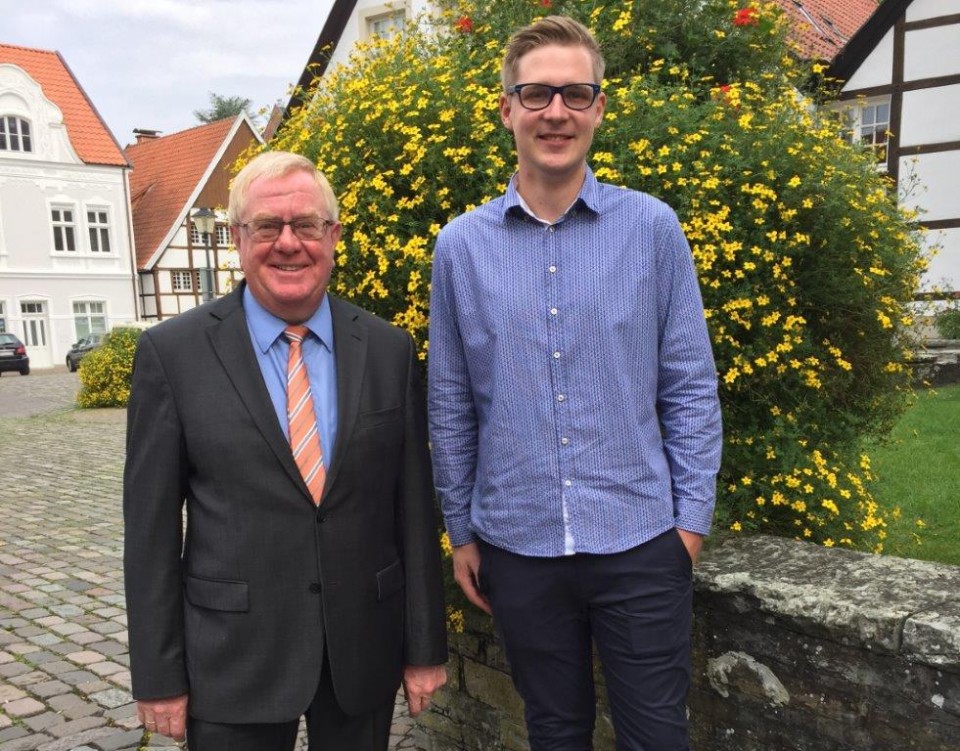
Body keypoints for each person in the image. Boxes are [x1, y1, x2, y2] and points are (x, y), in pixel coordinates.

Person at [428, 15, 722, 751]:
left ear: (597, 107)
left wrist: (687, 526)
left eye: (574, 93)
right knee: (553, 732)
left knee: (656, 734)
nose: (555, 111)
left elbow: (689, 383)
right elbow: (452, 400)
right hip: (518, 545)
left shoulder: (652, 230)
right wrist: (461, 527)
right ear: (507, 108)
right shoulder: (460, 247)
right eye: (536, 94)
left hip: (641, 541)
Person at [123, 150, 448, 751]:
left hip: (361, 650)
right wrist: (158, 675)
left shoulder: (387, 350)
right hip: (232, 657)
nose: (288, 243)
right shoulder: (174, 355)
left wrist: (425, 647)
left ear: (334, 236)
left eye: (306, 225)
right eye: (267, 227)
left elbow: (413, 511)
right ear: (238, 238)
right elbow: (149, 535)